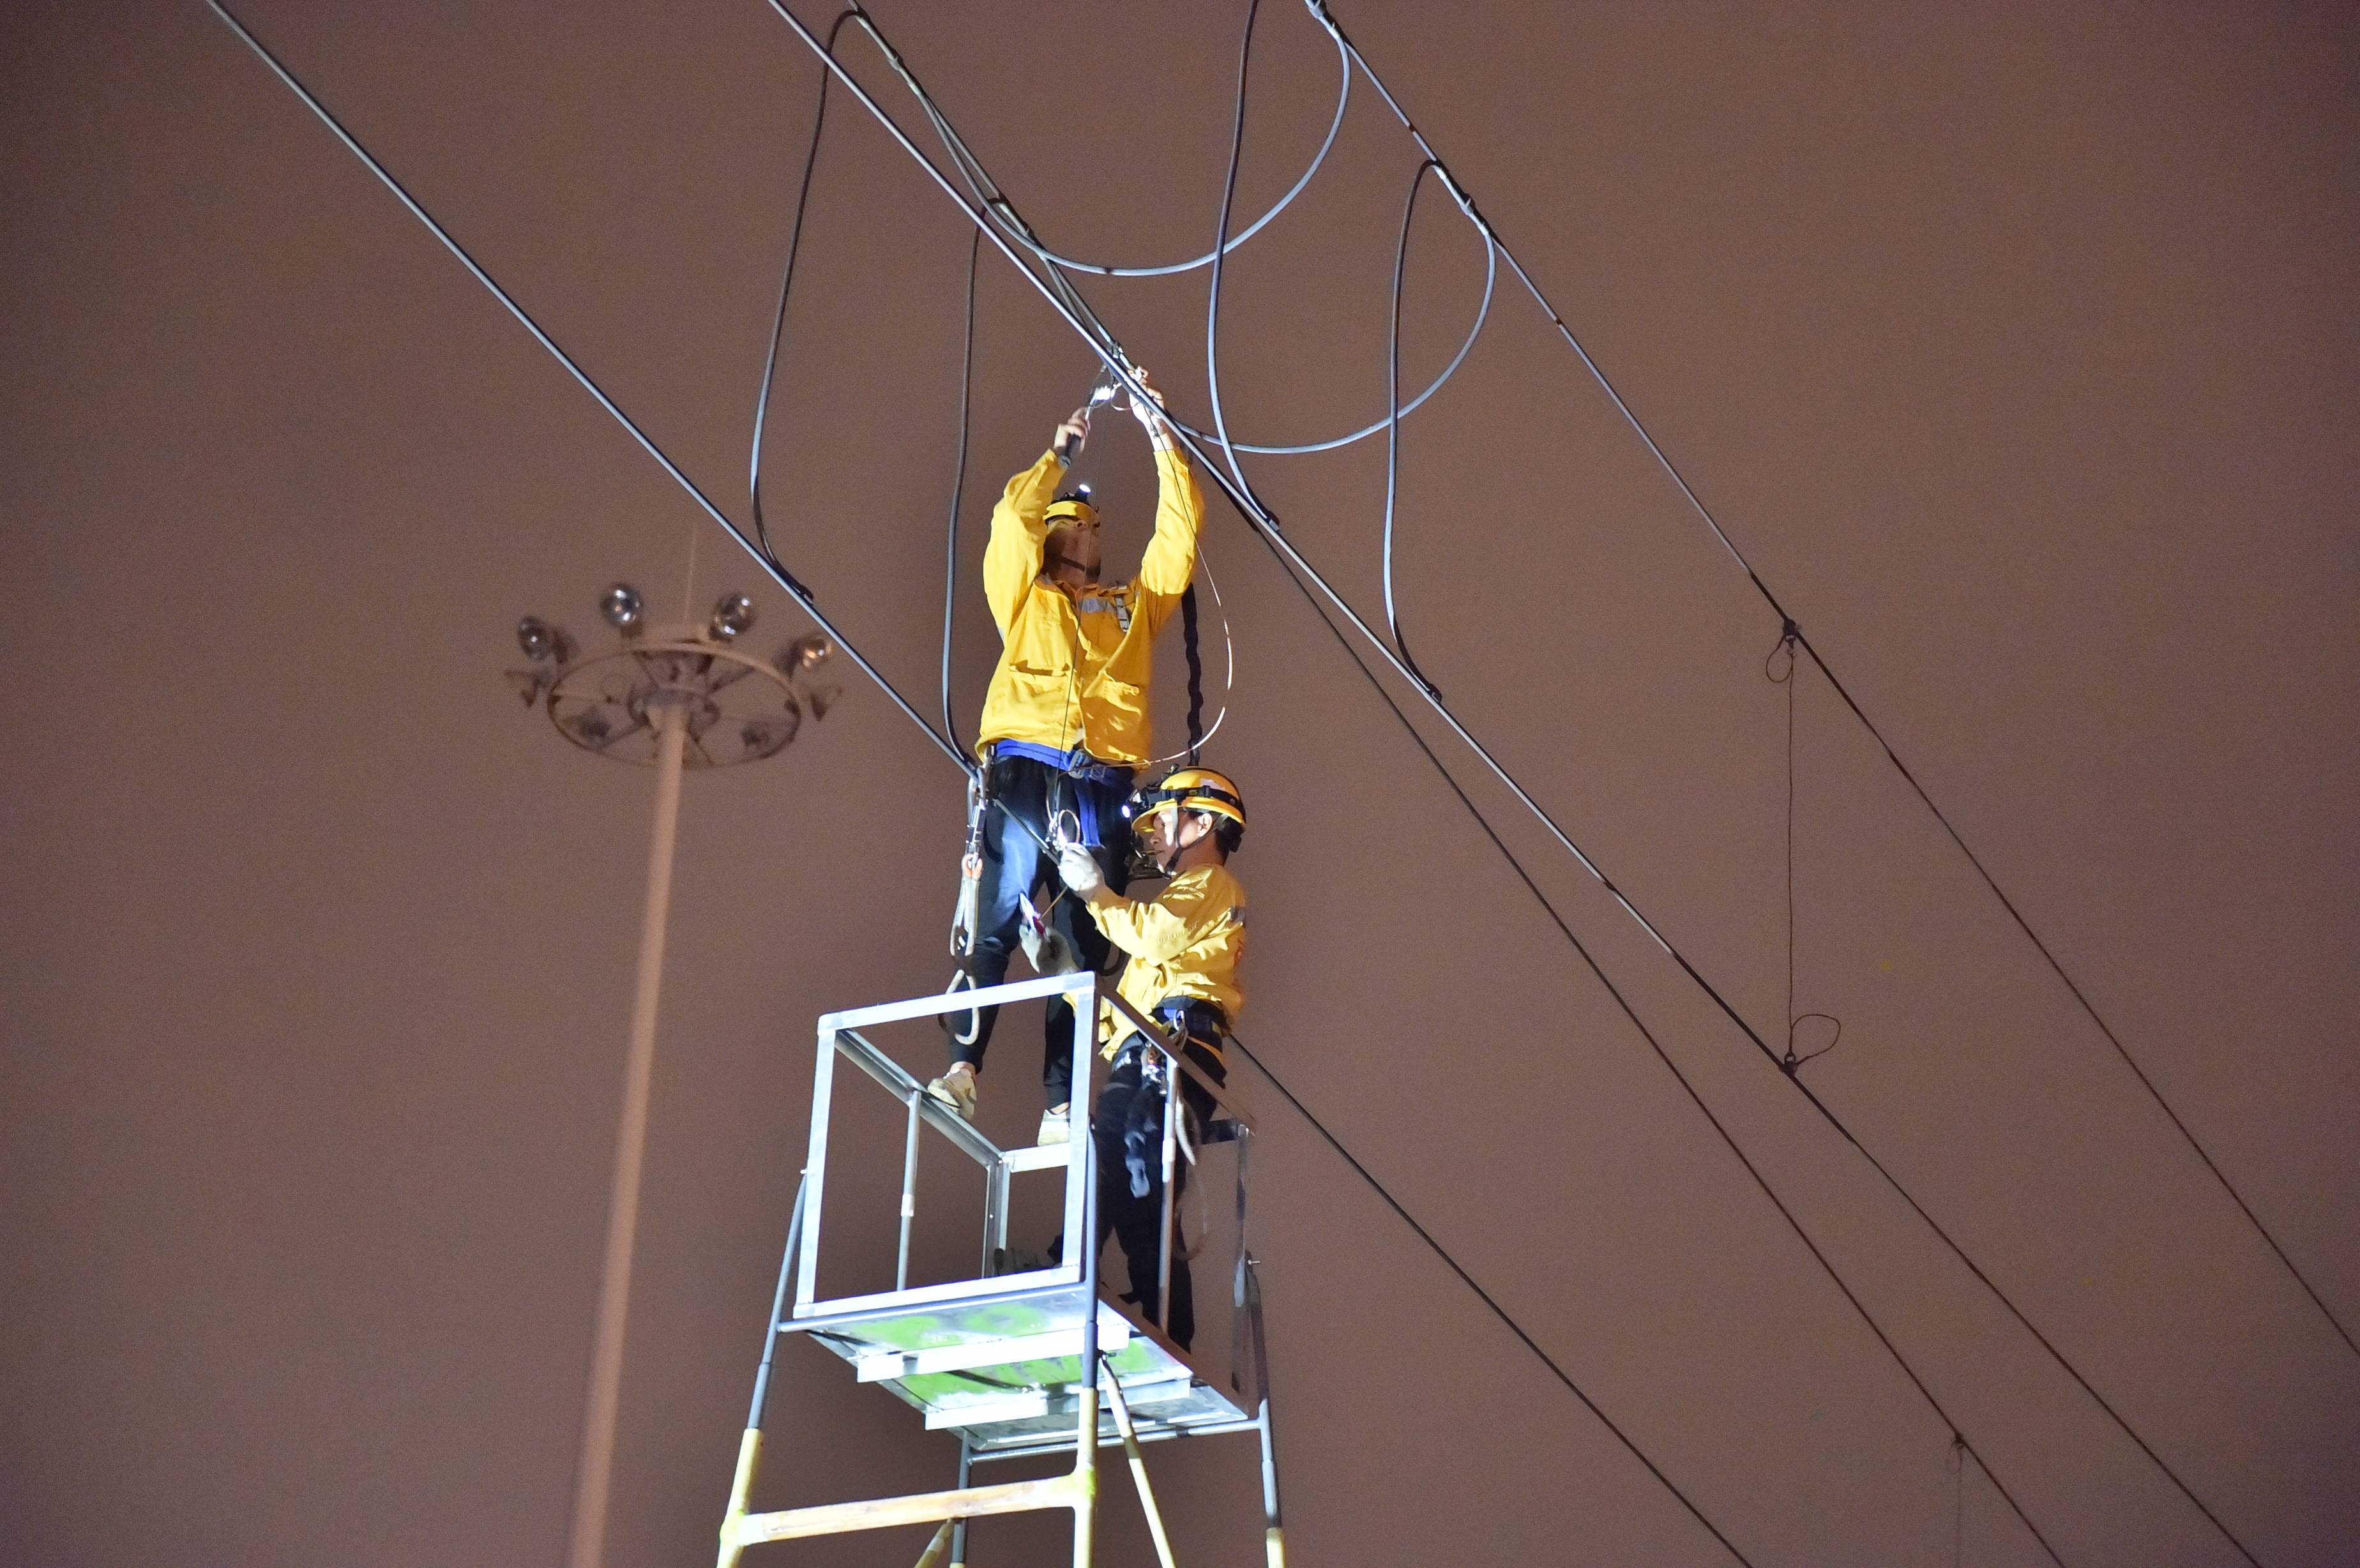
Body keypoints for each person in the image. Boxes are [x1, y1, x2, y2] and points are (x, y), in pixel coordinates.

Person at [928, 368, 1204, 1146]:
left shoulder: (1126, 607)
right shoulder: (1023, 595)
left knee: (1082, 950)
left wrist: (1159, 434)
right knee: (996, 919)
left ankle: (1058, 1102)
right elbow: (1008, 521)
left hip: (1101, 779)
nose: (1075, 528)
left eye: (1086, 520)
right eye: (1064, 519)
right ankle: (963, 1068)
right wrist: (1057, 454)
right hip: (1023, 764)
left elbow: (1176, 543)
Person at [1053, 766, 1248, 1353]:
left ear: (1204, 822)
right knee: (1136, 1190)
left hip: (1173, 1050)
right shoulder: (1185, 905)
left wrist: (1096, 896)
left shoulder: (1209, 884)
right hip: (1155, 1049)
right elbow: (1127, 1019)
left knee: (1122, 1166)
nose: (1154, 834)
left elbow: (1152, 937)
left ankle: (1066, 1274)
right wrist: (1069, 981)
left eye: (1165, 819)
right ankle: (1163, 1328)